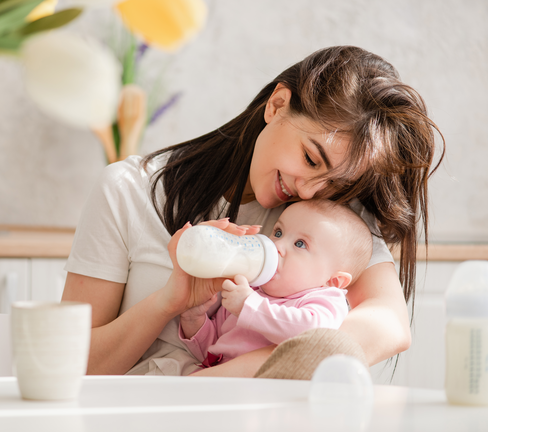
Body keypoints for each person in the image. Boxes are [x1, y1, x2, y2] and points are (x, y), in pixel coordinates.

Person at [62, 45, 444, 377]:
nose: (309, 191)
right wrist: (168, 302)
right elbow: (72, 365)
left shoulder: (328, 218)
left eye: (334, 183)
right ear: (277, 105)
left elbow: (388, 325)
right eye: (311, 158)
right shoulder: (128, 191)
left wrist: (234, 377)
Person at [179, 199, 373, 370]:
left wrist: (249, 306)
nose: (276, 246)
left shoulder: (323, 299)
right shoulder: (249, 290)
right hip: (215, 379)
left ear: (332, 281)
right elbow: (213, 350)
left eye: (300, 244)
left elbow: (313, 334)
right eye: (278, 233)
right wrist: (194, 321)